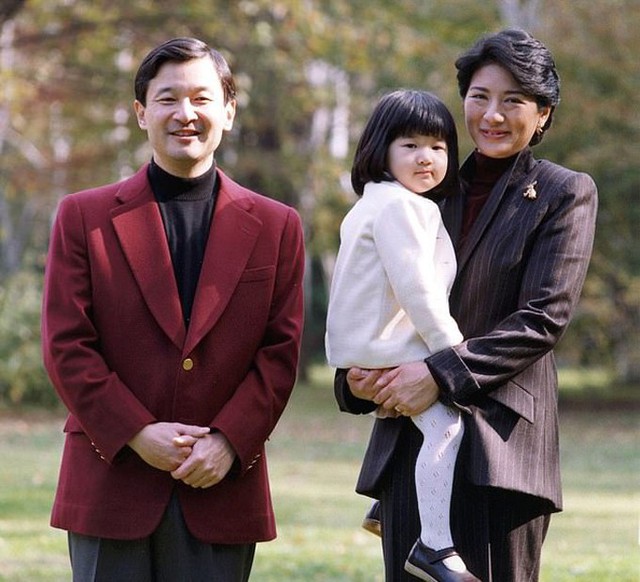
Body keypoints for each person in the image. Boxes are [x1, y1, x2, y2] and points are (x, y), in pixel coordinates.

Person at [335, 28, 598, 582]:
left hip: (502, 448)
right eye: (479, 97)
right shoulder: (423, 189)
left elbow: (542, 319)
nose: (492, 115)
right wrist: (354, 379)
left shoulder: (563, 192)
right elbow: (369, 289)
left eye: (513, 101)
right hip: (410, 440)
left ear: (544, 114)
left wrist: (439, 372)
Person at [41, 37, 305, 581]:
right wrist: (137, 432)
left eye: (202, 99)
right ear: (142, 113)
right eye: (167, 99)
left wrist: (230, 442)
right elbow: (67, 347)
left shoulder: (278, 227)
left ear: (228, 111)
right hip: (111, 480)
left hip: (220, 484)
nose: (186, 114)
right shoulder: (82, 217)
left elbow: (280, 354)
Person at [325, 89, 479, 582]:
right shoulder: (401, 207)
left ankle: (380, 507)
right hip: (386, 347)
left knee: (426, 426)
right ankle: (434, 544)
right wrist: (452, 351)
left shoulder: (376, 203)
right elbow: (417, 286)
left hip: (367, 349)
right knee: (447, 427)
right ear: (381, 151)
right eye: (410, 145)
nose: (426, 157)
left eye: (437, 146)